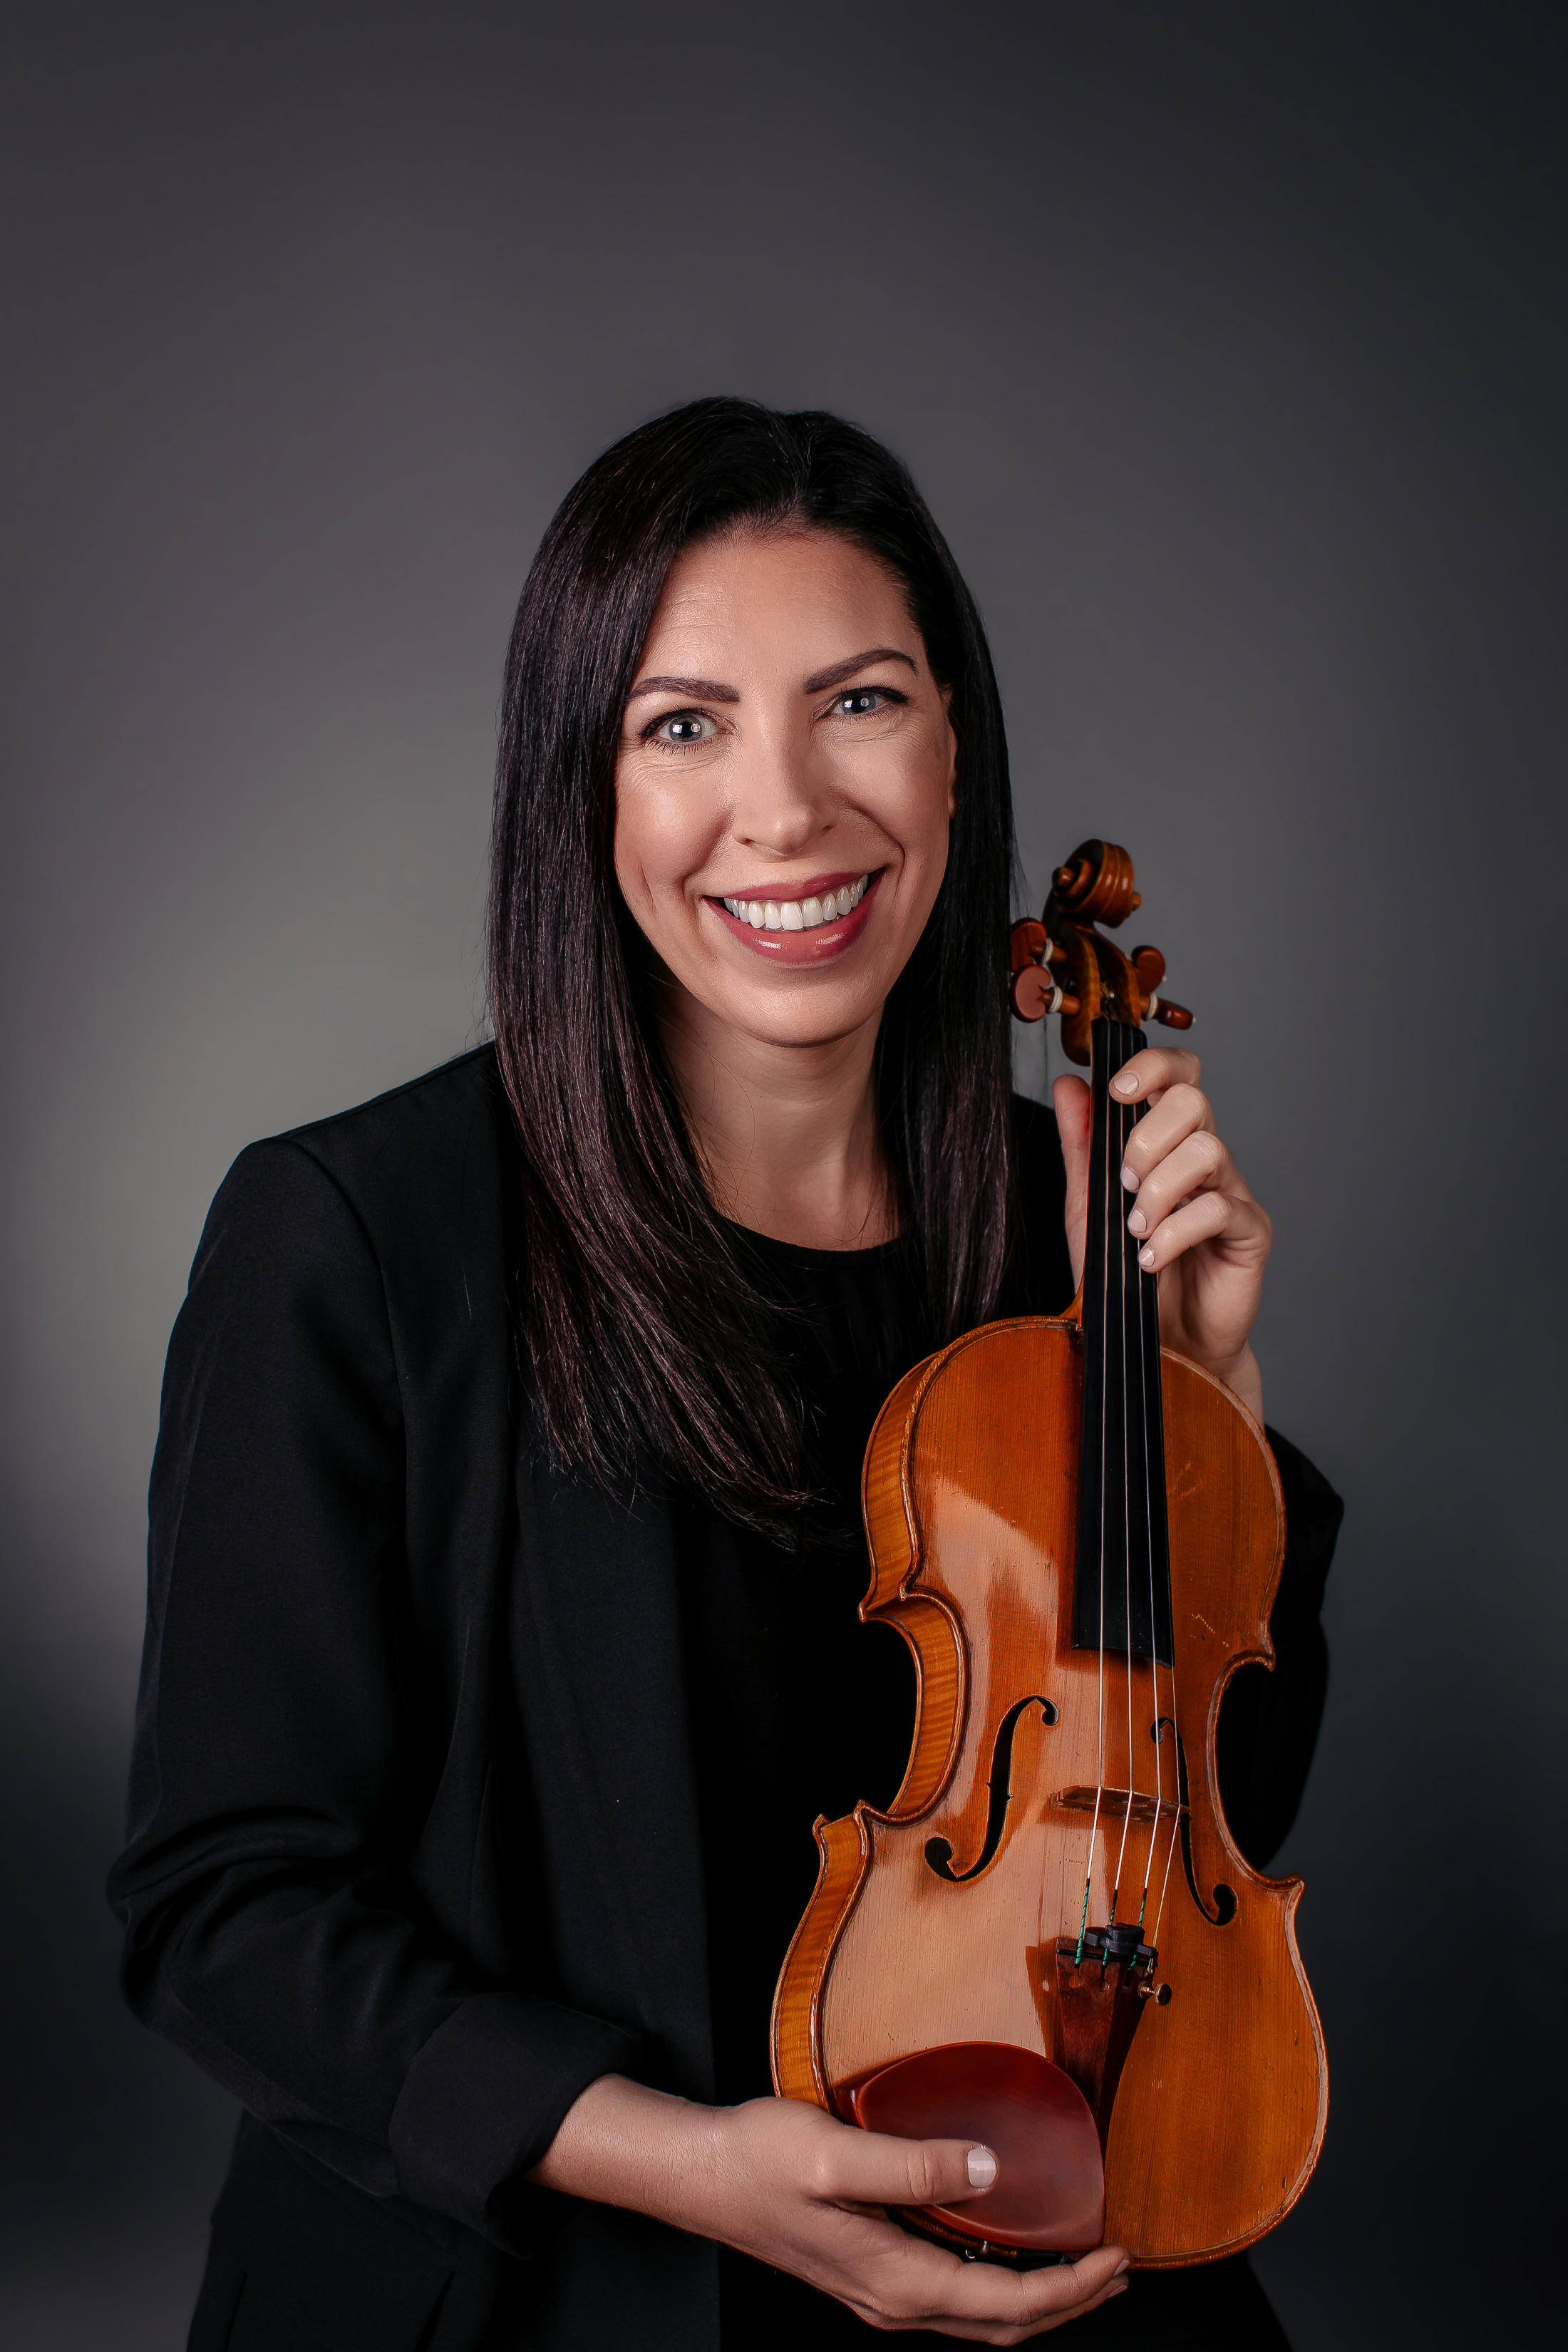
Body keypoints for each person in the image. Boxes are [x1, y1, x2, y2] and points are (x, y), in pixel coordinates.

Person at [110, 399, 1341, 2352]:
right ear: (582, 788)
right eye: (683, 725)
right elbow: (225, 1907)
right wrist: (680, 2160)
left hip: (1044, 2240)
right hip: (544, 2290)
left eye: (859, 703)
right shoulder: (357, 1236)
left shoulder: (1072, 1237)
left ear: (953, 749)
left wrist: (1204, 1399)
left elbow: (1183, 1854)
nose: (786, 810)